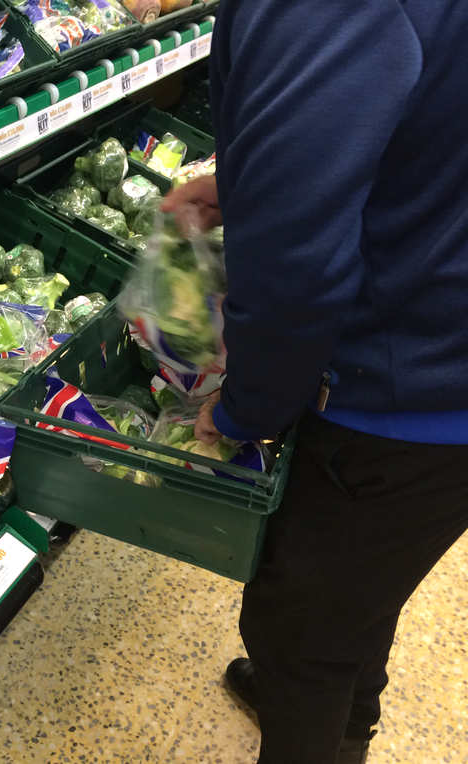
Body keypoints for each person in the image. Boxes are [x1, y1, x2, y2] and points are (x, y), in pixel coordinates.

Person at [160, 2, 468, 763]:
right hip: (444, 351)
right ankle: (344, 713)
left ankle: (322, 722)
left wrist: (243, 409)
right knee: (359, 592)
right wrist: (257, 178)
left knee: (298, 635)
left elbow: (296, 280)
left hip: (405, 393)